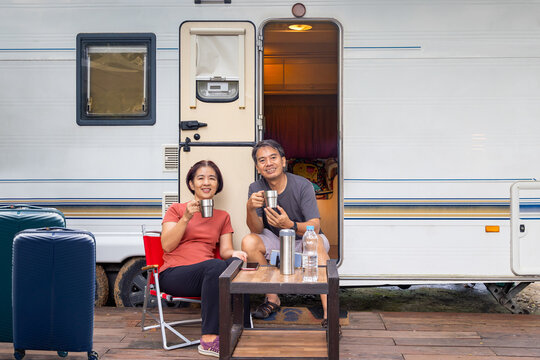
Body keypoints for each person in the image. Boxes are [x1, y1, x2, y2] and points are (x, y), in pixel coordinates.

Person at [241, 139, 332, 330]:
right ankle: (273, 298)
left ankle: (328, 313)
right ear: (258, 167)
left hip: (304, 238)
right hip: (276, 239)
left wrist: (290, 224)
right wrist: (249, 208)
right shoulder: (256, 188)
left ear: (283, 161)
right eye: (262, 160)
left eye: (273, 157)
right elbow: (256, 230)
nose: (268, 163)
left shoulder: (302, 185)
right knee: (248, 242)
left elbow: (315, 227)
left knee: (316, 243)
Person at [160, 160, 248, 358]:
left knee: (236, 264)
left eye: (212, 178)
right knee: (215, 266)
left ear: (218, 184)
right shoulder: (176, 209)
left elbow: (225, 250)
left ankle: (242, 326)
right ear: (191, 184)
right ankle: (209, 339)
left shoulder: (223, 216)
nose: (206, 182)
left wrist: (235, 254)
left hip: (208, 275)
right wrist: (186, 218)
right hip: (175, 274)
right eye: (200, 178)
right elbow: (167, 245)